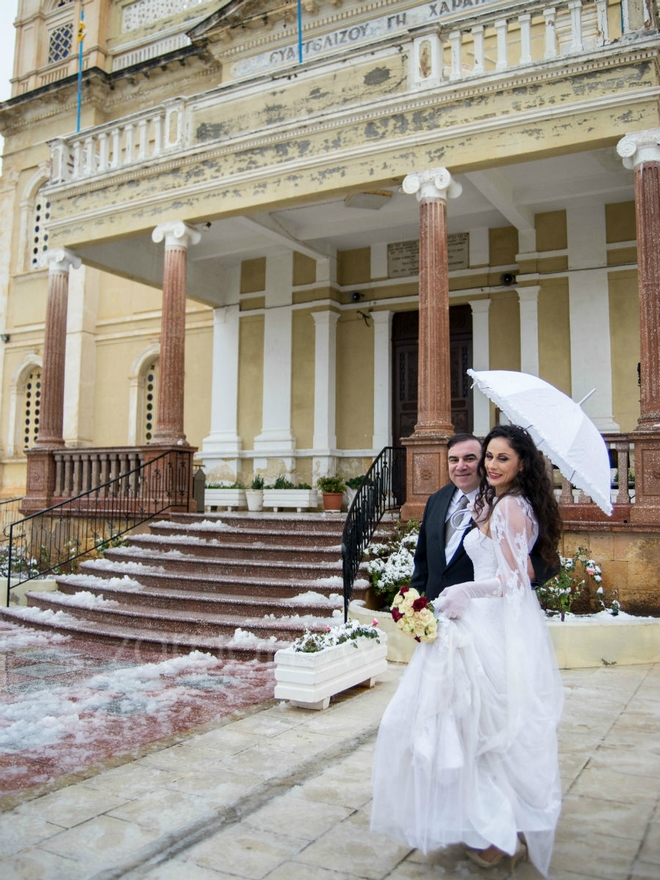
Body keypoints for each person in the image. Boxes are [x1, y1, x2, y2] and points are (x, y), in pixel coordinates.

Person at [371, 425, 564, 876]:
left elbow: (522, 574)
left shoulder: (510, 505)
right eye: (487, 457)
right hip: (456, 622)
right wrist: (415, 606)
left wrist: (468, 590)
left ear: (521, 463)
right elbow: (426, 562)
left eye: (496, 458)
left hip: (485, 625)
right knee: (463, 727)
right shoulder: (467, 502)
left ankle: (497, 829)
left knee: (480, 727)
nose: (485, 465)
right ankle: (478, 818)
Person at [411, 433, 556, 602]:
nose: (460, 466)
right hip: (437, 607)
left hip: (484, 607)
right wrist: (414, 602)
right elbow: (422, 561)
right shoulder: (436, 500)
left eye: (469, 458)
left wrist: (523, 574)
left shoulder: (506, 502)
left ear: (481, 462)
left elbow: (547, 560)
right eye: (453, 460)